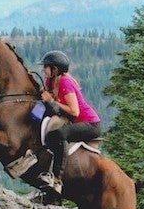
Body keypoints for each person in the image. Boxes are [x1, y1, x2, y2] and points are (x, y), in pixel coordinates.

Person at [38, 50, 101, 196]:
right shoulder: (50, 81)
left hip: (90, 124)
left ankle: (57, 180)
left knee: (59, 134)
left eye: (46, 67)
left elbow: (74, 112)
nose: (43, 69)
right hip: (76, 120)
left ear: (55, 69)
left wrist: (51, 101)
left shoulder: (66, 82)